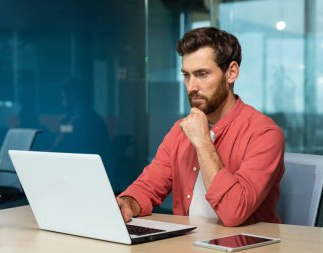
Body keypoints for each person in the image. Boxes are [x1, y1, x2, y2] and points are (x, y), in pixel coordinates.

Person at [117, 27, 285, 227]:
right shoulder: (180, 130)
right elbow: (149, 186)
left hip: (244, 246)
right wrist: (127, 203)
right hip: (188, 243)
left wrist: (203, 141)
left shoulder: (265, 134)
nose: (191, 87)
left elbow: (234, 212)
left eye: (202, 74)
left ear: (231, 73)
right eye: (187, 75)